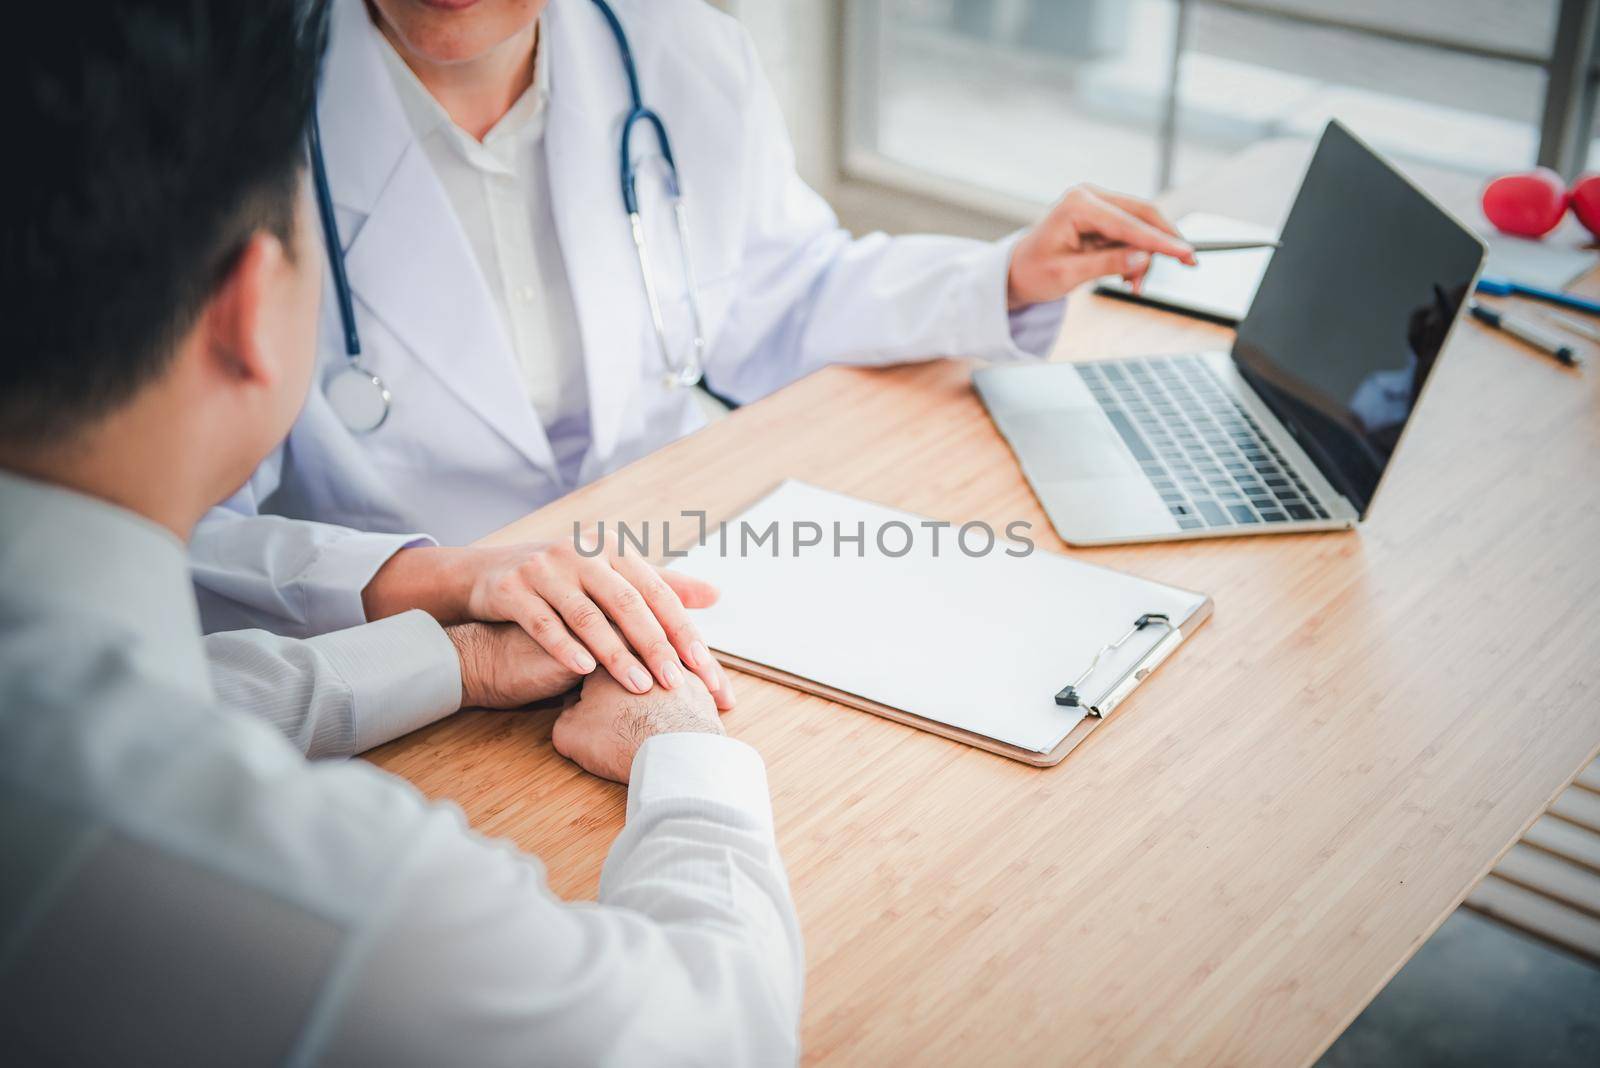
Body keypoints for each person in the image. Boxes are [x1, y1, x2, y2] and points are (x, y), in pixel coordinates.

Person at [0, 2, 802, 1062]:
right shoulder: (338, 897)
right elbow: (712, 1032)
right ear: (251, 308)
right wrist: (688, 751)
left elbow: (143, 689)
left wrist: (452, 657)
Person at [189, 0, 1197, 694]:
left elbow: (782, 294)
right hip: (394, 656)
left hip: (673, 598)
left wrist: (1003, 276)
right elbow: (177, 530)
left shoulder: (672, 49)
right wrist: (446, 579)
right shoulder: (217, 107)